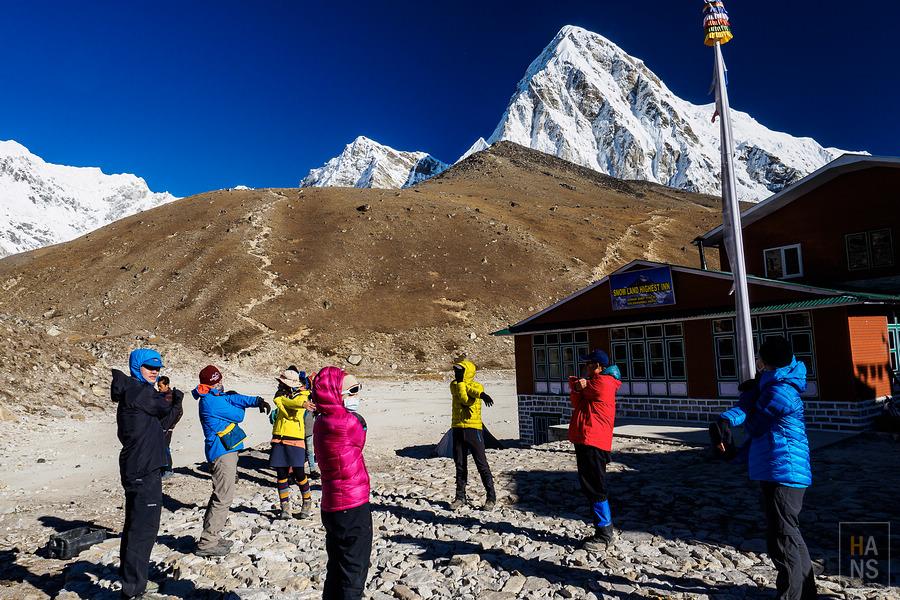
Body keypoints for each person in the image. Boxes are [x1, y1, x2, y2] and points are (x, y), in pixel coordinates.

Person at [714, 336, 817, 600]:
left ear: (767, 363)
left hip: (784, 471)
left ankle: (791, 596)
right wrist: (728, 418)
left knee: (782, 540)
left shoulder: (778, 391)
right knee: (789, 534)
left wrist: (751, 395)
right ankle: (806, 594)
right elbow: (750, 412)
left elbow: (754, 424)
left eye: (759, 358)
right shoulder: (774, 383)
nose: (756, 361)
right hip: (779, 468)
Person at [111, 349, 179, 600]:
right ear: (136, 366)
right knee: (144, 529)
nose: (155, 372)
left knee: (134, 527)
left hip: (138, 466)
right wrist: (176, 401)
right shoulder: (141, 392)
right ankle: (133, 590)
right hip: (143, 468)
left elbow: (160, 421)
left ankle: (134, 581)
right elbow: (165, 411)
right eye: (150, 367)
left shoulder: (132, 390)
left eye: (158, 368)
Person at [193, 365, 271, 557]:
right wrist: (244, 404)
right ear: (209, 385)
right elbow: (239, 415)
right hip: (221, 454)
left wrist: (255, 400)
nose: (220, 385)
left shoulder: (214, 397)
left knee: (221, 495)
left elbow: (232, 398)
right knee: (223, 498)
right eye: (217, 383)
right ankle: (207, 543)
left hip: (225, 451)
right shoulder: (211, 402)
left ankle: (211, 537)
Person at [312, 367, 372, 600]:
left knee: (336, 570)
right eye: (353, 391)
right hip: (353, 505)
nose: (357, 396)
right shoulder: (347, 423)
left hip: (331, 504)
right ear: (339, 395)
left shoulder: (320, 422)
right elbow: (360, 436)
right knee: (353, 575)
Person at [568, 349, 622, 551]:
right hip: (587, 439)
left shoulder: (603, 382)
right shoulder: (594, 383)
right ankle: (602, 530)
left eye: (589, 363)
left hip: (594, 440)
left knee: (596, 488)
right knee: (591, 486)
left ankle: (605, 534)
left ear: (598, 366)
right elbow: (576, 400)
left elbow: (578, 386)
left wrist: (577, 385)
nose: (585, 366)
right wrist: (577, 388)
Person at [449, 360, 497, 510]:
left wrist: (481, 394)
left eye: (460, 371)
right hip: (457, 428)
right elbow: (464, 397)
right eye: (456, 371)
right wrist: (480, 394)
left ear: (467, 372)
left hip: (473, 429)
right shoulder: (455, 385)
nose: (456, 374)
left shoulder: (477, 386)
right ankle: (460, 496)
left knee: (481, 464)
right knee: (460, 465)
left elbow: (469, 398)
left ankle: (491, 497)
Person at [270, 369, 315, 519]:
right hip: (279, 437)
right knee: (281, 474)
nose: (281, 387)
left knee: (299, 473)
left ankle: (307, 502)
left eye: (283, 384)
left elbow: (293, 406)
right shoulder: (284, 396)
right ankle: (285, 506)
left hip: (295, 438)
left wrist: (301, 404)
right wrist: (284, 401)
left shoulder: (303, 397)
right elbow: (283, 402)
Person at [156, 376, 184, 479]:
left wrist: (171, 424)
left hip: (167, 428)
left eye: (160, 386)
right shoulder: (160, 395)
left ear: (167, 385)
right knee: (159, 447)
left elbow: (179, 412)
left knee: (165, 447)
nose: (159, 388)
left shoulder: (172, 397)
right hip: (160, 426)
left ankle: (168, 470)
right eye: (158, 386)